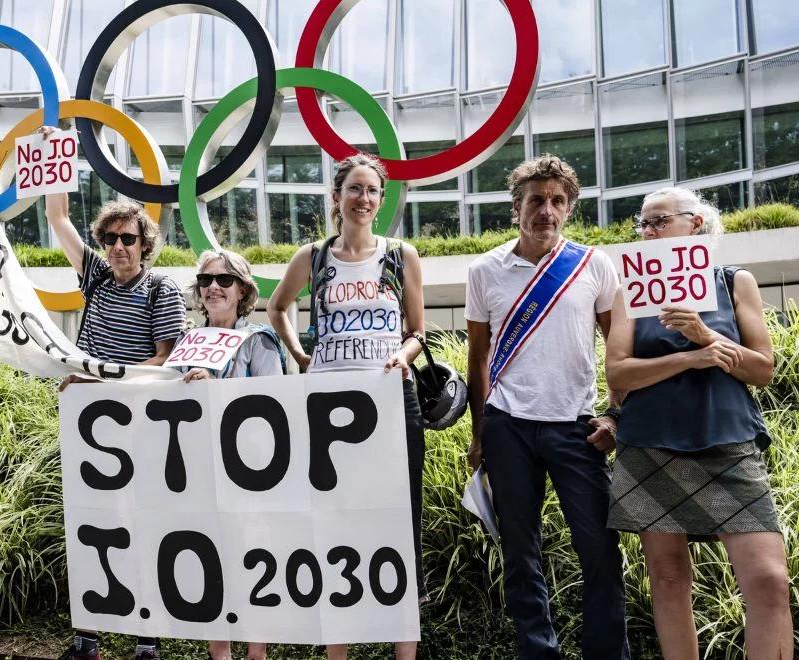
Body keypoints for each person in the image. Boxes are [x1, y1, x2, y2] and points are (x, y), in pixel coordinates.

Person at [605, 187, 793, 660]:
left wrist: (706, 334)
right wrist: (692, 358)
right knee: (668, 579)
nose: (648, 231)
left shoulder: (734, 281)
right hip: (649, 444)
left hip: (727, 440)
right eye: (643, 223)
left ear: (696, 224)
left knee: (769, 579)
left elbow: (763, 370)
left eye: (659, 220)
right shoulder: (632, 290)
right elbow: (618, 373)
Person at [464, 155, 629, 659]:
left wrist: (616, 416)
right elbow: (478, 362)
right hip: (508, 427)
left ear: (569, 209)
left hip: (577, 427)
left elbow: (619, 350)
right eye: (537, 200)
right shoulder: (484, 270)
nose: (547, 211)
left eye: (558, 201)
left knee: (599, 550)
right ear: (517, 207)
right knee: (520, 553)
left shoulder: (593, 264)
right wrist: (480, 432)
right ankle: (538, 653)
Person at [267, 153, 427, 660]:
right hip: (327, 405)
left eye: (372, 191)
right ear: (336, 198)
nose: (363, 198)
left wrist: (403, 355)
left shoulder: (401, 255)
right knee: (333, 519)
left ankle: (405, 649)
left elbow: (417, 332)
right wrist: (298, 353)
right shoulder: (313, 257)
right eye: (354, 189)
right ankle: (338, 649)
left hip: (388, 400)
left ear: (381, 201)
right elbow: (277, 306)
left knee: (402, 518)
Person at [37, 126, 186, 660]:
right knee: (93, 525)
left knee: (140, 526)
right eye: (111, 239)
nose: (119, 248)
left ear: (145, 244)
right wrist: (60, 151)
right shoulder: (96, 279)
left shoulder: (160, 288)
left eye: (129, 239)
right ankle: (88, 638)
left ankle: (147, 641)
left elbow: (165, 358)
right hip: (90, 425)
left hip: (139, 425)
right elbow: (58, 218)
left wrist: (103, 381)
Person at [181, 249, 285, 660]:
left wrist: (218, 386)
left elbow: (274, 404)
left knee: (254, 562)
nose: (213, 288)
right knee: (213, 564)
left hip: (252, 475)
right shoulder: (187, 343)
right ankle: (219, 653)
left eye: (224, 280)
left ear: (242, 290)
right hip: (201, 473)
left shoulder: (259, 341)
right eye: (206, 280)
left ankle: (256, 654)